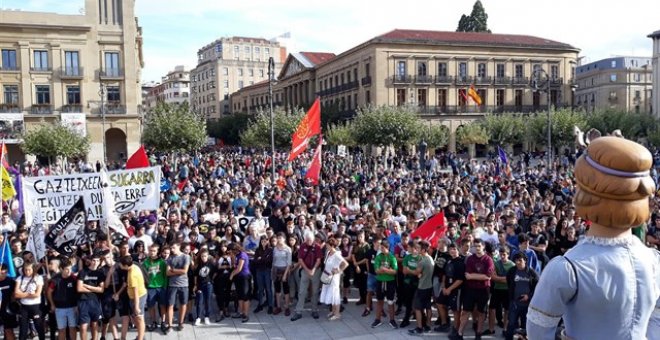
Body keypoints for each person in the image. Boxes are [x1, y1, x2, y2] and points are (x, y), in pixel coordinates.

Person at [528, 136, 660, 339]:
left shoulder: (567, 268)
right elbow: (656, 322)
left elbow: (538, 331)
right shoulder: (654, 261)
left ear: (585, 194)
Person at [455, 239, 494, 340]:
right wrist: (478, 276)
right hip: (470, 289)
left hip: (483, 290)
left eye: (479, 246)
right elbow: (467, 276)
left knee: (481, 313)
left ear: (483, 247)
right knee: (465, 312)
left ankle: (478, 334)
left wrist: (473, 276)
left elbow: (488, 276)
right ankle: (459, 334)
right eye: (475, 246)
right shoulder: (470, 259)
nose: (477, 248)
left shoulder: (488, 260)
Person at [290, 230, 323, 322]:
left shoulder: (317, 247)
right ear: (305, 239)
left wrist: (312, 270)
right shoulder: (302, 246)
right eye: (307, 240)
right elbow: (300, 259)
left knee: (315, 291)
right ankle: (298, 311)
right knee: (302, 291)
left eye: (311, 240)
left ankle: (314, 309)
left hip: (315, 271)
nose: (309, 241)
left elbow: (318, 260)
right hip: (305, 270)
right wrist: (308, 270)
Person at [505, 252, 538, 340]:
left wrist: (529, 296)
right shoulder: (512, 271)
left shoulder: (532, 273)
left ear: (525, 261)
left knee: (526, 326)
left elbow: (538, 288)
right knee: (511, 324)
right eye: (516, 260)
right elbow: (509, 283)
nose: (518, 262)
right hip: (514, 303)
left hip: (528, 305)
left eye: (520, 260)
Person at [436, 243, 465, 335]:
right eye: (450, 249)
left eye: (454, 249)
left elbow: (460, 280)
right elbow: (444, 274)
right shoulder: (448, 260)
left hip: (456, 290)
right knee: (439, 303)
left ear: (458, 250)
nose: (452, 251)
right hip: (446, 288)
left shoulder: (461, 262)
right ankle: (445, 324)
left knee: (456, 310)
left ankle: (456, 329)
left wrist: (450, 289)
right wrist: (444, 286)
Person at [46, 258, 78, 340]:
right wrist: (52, 305)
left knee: (73, 329)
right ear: (61, 269)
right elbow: (49, 292)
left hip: (72, 307)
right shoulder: (56, 279)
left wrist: (77, 305)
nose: (69, 271)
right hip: (59, 308)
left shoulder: (74, 278)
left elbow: (79, 292)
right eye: (67, 269)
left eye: (70, 268)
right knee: (61, 330)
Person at [486, 246, 514, 336]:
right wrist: (505, 278)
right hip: (497, 289)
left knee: (507, 310)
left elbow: (510, 280)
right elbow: (493, 278)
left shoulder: (512, 265)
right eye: (501, 254)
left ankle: (505, 330)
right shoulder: (496, 263)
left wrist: (499, 278)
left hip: (507, 290)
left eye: (504, 254)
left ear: (508, 255)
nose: (502, 256)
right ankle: (491, 329)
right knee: (491, 309)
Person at [408, 240, 435, 335]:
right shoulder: (430, 258)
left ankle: (419, 328)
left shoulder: (422, 261)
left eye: (419, 248)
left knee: (418, 308)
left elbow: (416, 272)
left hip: (422, 287)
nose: (417, 249)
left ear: (423, 249)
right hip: (429, 286)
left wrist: (408, 270)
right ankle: (428, 326)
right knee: (428, 307)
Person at [371, 239, 398, 329]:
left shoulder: (392, 257)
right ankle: (377, 320)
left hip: (390, 282)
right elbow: (377, 270)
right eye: (380, 247)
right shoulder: (378, 257)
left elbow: (394, 271)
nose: (381, 249)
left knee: (390, 301)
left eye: (383, 248)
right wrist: (387, 270)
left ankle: (392, 320)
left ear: (388, 248)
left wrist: (385, 269)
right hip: (380, 281)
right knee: (379, 301)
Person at [77, 255, 105, 340]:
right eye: (94, 260)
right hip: (83, 301)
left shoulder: (100, 273)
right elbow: (79, 288)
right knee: (83, 326)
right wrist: (94, 289)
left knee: (95, 324)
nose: (95, 263)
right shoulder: (83, 272)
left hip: (95, 302)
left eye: (97, 261)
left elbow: (101, 290)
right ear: (90, 261)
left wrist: (86, 286)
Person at [14, 261, 45, 340]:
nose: (27, 272)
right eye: (25, 270)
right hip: (24, 307)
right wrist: (30, 294)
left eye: (29, 270)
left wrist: (23, 294)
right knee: (23, 330)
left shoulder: (38, 278)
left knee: (39, 328)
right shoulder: (20, 278)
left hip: (35, 307)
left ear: (33, 269)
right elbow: (16, 294)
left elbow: (37, 294)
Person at [319, 237, 348, 320]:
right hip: (327, 276)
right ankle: (333, 311)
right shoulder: (328, 252)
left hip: (334, 278)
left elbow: (345, 263)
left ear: (332, 246)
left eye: (328, 245)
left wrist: (338, 270)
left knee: (335, 295)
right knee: (331, 294)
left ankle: (337, 313)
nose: (326, 246)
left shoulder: (336, 254)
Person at [119, 255, 147, 340]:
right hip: (138, 296)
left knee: (139, 318)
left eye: (121, 264)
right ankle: (140, 336)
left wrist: (136, 306)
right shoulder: (134, 266)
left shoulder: (132, 275)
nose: (119, 265)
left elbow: (136, 292)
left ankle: (140, 338)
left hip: (138, 297)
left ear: (126, 266)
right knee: (137, 317)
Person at [166, 242, 190, 332]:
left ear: (179, 247)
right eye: (171, 248)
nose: (172, 250)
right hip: (172, 285)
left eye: (173, 248)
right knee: (170, 305)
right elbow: (167, 273)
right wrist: (177, 271)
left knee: (183, 304)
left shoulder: (185, 257)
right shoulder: (170, 258)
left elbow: (185, 271)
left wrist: (173, 270)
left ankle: (180, 322)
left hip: (183, 284)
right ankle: (170, 325)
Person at [143, 244, 168, 332]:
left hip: (160, 287)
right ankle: (153, 321)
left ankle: (163, 321)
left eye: (154, 251)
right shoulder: (145, 262)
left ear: (157, 251)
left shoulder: (162, 262)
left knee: (162, 305)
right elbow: (144, 276)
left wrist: (164, 286)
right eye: (150, 251)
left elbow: (166, 275)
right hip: (150, 287)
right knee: (151, 306)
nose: (152, 252)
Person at [228, 242, 251, 323]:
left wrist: (231, 275)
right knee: (240, 295)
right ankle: (241, 312)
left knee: (245, 296)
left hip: (244, 277)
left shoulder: (242, 255)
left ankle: (246, 314)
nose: (230, 252)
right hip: (238, 277)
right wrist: (232, 258)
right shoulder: (236, 255)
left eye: (231, 251)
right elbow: (234, 266)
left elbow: (239, 269)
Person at [272, 232, 292, 316]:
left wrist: (285, 274)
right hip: (276, 269)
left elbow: (289, 263)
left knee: (286, 289)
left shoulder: (288, 249)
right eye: (278, 238)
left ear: (284, 239)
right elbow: (273, 260)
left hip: (285, 269)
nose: (279, 239)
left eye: (281, 238)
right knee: (277, 290)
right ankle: (278, 306)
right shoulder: (275, 248)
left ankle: (287, 307)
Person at [253, 235, 274, 314]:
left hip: (267, 270)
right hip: (259, 271)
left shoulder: (270, 250)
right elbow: (255, 261)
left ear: (268, 241)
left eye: (265, 241)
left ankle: (270, 305)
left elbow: (269, 261)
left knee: (268, 289)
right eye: (262, 241)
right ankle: (260, 305)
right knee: (260, 289)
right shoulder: (258, 250)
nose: (263, 243)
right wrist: (263, 258)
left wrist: (261, 258)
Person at [193, 249, 215, 325]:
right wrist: (195, 285)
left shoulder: (211, 264)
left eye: (205, 256)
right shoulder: (198, 265)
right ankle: (198, 317)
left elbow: (215, 272)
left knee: (208, 301)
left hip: (208, 284)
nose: (203, 257)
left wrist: (211, 280)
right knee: (199, 301)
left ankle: (207, 317)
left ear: (208, 256)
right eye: (202, 256)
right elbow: (195, 276)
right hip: (200, 285)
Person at [0, 263, 18, 340]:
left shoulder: (11, 281)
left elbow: (15, 295)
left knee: (8, 330)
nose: (1, 274)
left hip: (7, 310)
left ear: (6, 271)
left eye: (3, 273)